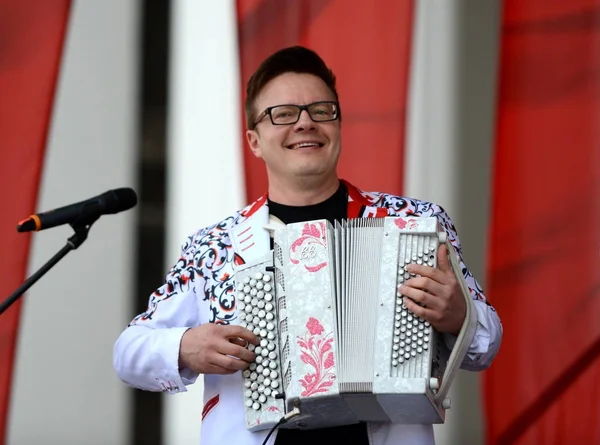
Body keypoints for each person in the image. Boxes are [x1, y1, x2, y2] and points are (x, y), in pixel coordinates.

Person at [113, 45, 502, 445]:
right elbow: (128, 351)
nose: (305, 123)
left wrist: (459, 317)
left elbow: (486, 345)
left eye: (321, 111)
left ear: (338, 125)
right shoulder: (215, 245)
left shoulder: (414, 223)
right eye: (282, 114)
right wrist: (184, 346)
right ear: (254, 141)